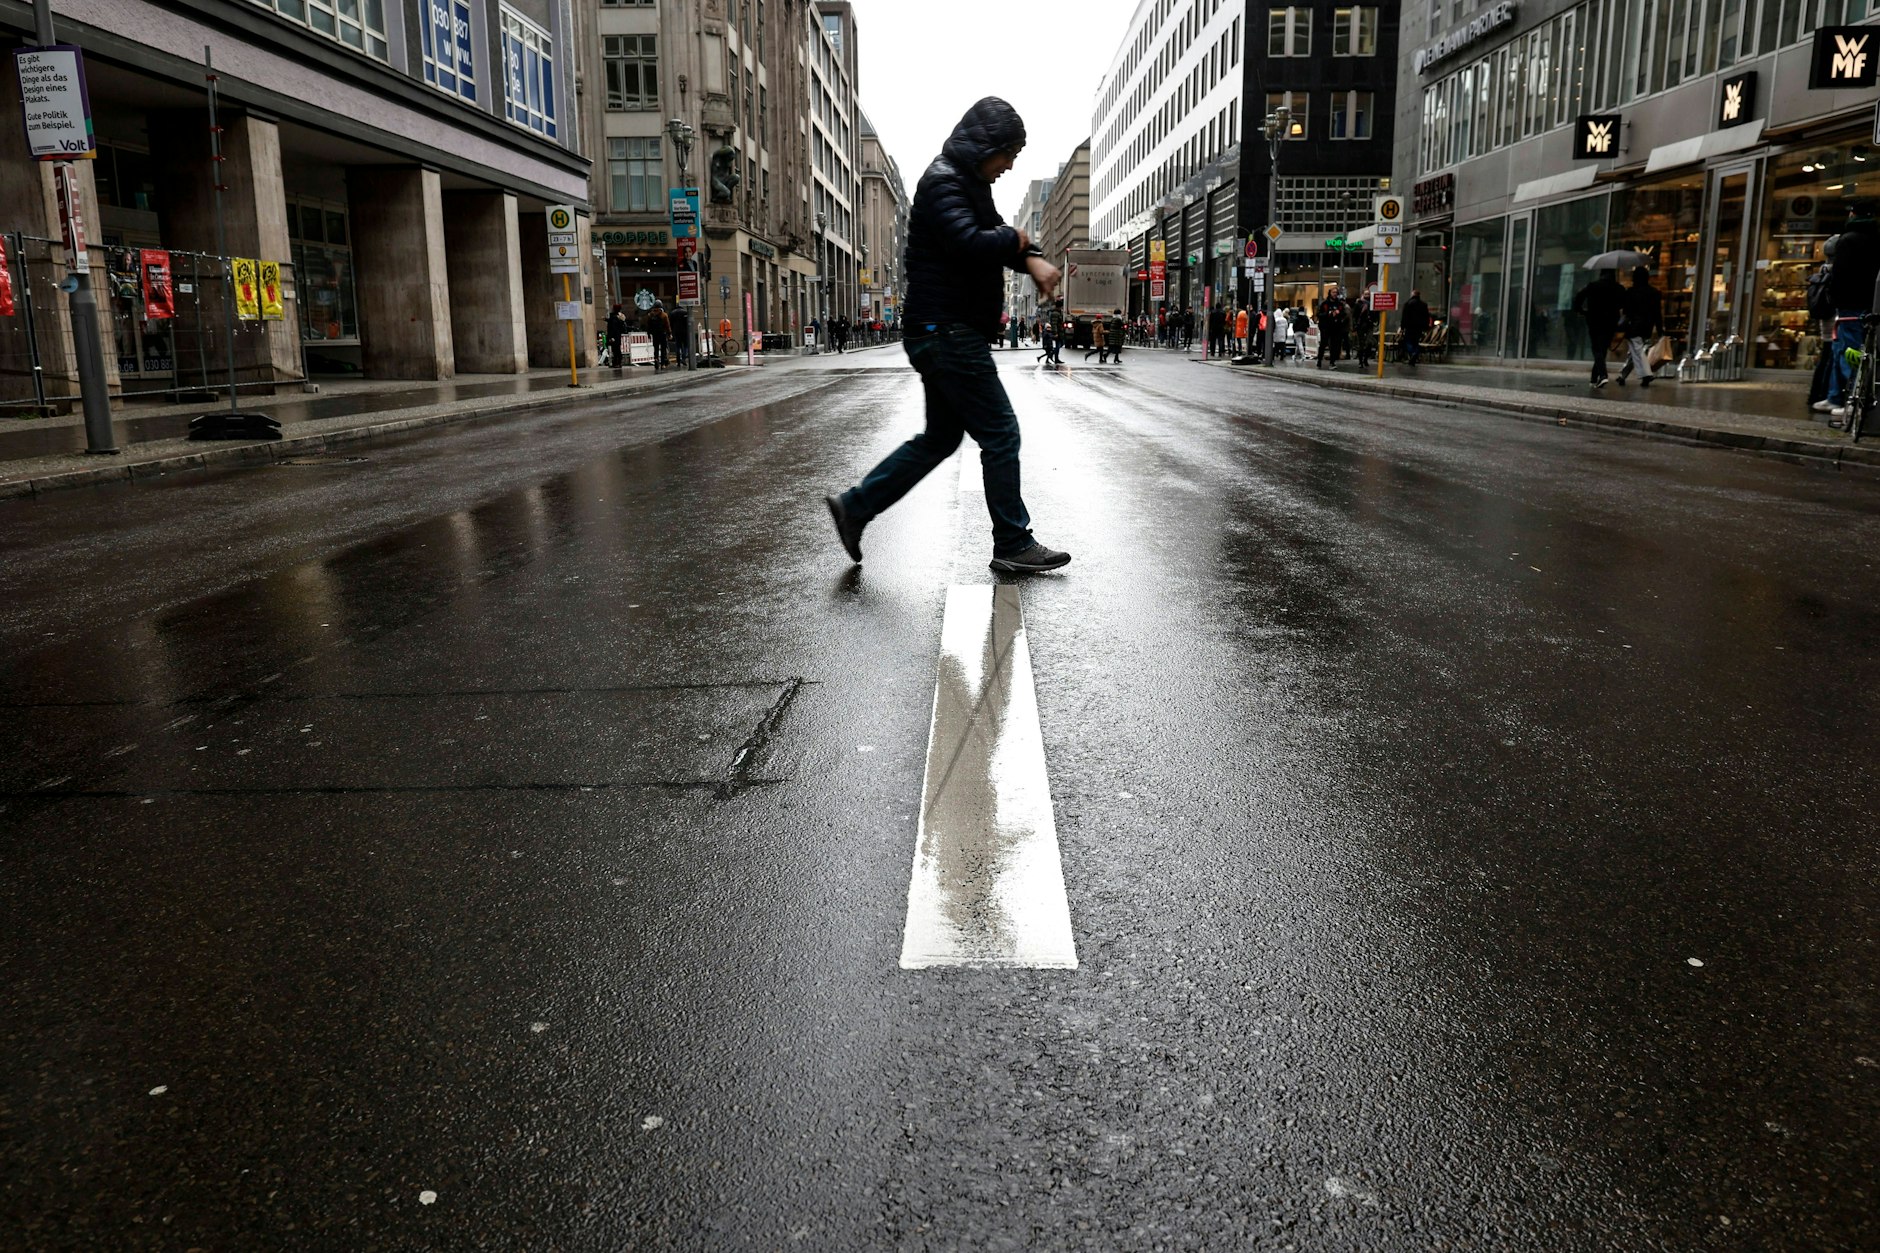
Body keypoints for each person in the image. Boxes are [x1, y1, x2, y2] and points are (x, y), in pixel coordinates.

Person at [824, 97, 1071, 575]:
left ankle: (855, 507)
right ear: (987, 146)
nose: (1010, 165)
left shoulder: (966, 183)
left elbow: (993, 233)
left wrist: (1028, 253)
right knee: (1000, 433)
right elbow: (970, 242)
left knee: (939, 438)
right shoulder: (943, 183)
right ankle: (1013, 541)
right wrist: (1020, 244)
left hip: (942, 332)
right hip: (947, 332)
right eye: (1008, 154)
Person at [1823, 203, 1880, 426]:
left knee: (1850, 351)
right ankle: (1859, 397)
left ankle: (1852, 400)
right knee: (1868, 350)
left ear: (1853, 214)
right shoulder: (1876, 239)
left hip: (1850, 304)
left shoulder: (1847, 240)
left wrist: (1833, 297)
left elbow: (1840, 275)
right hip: (1872, 303)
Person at [1572, 269, 1627, 387]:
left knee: (1597, 349)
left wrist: (1581, 311)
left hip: (1595, 320)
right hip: (1611, 322)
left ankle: (1602, 375)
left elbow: (1578, 298)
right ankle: (1593, 379)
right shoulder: (1619, 288)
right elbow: (1624, 303)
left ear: (1601, 275)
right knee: (1602, 350)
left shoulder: (1593, 286)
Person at [1616, 267, 1663, 387]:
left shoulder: (1631, 292)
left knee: (1637, 350)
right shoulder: (1654, 293)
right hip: (1647, 326)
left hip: (1633, 326)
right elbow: (1657, 313)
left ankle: (1646, 374)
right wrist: (1659, 329)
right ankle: (1623, 375)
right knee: (1635, 351)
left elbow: (1626, 311)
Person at [1401, 289, 1431, 366]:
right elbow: (1426, 317)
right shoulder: (1423, 305)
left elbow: (1404, 316)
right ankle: (1415, 354)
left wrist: (1402, 326)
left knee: (1408, 341)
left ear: (1412, 295)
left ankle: (1413, 352)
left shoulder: (1408, 304)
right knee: (1416, 342)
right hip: (1419, 327)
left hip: (1409, 326)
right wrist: (1426, 327)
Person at [645, 301, 671, 371]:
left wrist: (649, 334)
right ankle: (662, 364)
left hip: (655, 335)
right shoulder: (664, 315)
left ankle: (656, 359)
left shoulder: (650, 315)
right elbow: (667, 325)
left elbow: (648, 326)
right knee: (663, 350)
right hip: (662, 334)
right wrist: (669, 333)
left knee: (656, 349)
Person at [605, 303, 628, 369]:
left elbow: (613, 327)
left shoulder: (614, 317)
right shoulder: (620, 316)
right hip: (617, 336)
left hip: (614, 336)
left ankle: (617, 363)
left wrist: (611, 337)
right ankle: (617, 363)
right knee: (617, 350)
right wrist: (607, 320)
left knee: (616, 350)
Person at [670, 303, 693, 368]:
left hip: (676, 331)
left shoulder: (672, 313)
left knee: (678, 346)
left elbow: (670, 323)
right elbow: (688, 322)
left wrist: (671, 331)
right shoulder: (685, 312)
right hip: (685, 331)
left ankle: (678, 361)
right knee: (685, 345)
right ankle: (683, 358)